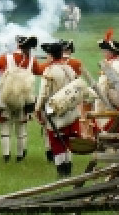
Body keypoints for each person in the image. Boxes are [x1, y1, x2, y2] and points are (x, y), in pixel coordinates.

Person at [0, 35, 44, 162]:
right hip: (23, 98)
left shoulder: (5, 57)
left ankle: (6, 155)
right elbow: (39, 71)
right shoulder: (32, 60)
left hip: (5, 97)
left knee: (5, 128)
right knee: (21, 129)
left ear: (18, 44)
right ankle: (20, 156)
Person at [34, 40, 84, 178]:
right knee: (66, 140)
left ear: (51, 55)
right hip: (70, 110)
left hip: (55, 110)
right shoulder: (69, 69)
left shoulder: (49, 71)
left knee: (56, 142)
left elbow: (43, 94)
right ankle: (68, 168)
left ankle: (62, 171)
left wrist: (38, 109)